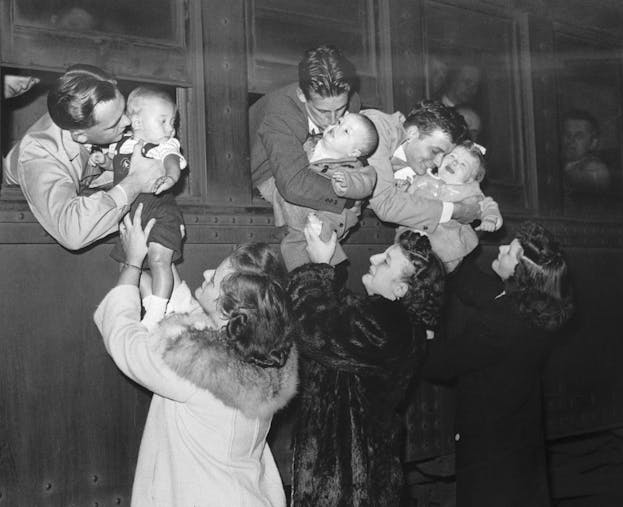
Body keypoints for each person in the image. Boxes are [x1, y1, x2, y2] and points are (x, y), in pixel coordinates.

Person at [93, 204, 298, 507]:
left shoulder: (197, 367)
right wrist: (164, 251)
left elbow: (124, 339)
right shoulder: (264, 353)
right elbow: (191, 314)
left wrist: (134, 262)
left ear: (231, 314)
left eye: (215, 279)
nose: (206, 272)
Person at [288, 223, 446, 506]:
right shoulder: (397, 323)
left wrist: (320, 268)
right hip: (364, 470)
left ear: (400, 288)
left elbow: (314, 329)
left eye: (386, 261)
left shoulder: (389, 324)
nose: (374, 259)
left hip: (350, 478)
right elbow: (343, 312)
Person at [422, 221, 575, 507]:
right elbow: (478, 288)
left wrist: (423, 332)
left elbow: (439, 364)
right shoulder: (537, 307)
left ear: (521, 276)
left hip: (489, 443)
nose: (502, 248)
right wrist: (451, 247)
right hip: (517, 434)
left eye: (509, 253)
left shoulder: (501, 322)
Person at [3, 64, 165, 250]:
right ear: (80, 136)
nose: (128, 122)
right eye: (114, 124)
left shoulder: (84, 106)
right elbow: (73, 233)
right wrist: (134, 182)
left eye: (124, 111)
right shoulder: (39, 153)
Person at [96, 85, 187, 328]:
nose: (171, 128)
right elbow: (115, 167)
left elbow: (172, 162)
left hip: (160, 213)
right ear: (137, 121)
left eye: (173, 121)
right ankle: (152, 302)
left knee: (159, 261)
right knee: (126, 267)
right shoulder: (121, 145)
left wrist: (171, 177)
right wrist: (103, 162)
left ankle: (156, 312)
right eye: (164, 121)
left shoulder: (165, 145)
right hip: (131, 218)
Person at [250, 44, 361, 215]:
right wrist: (348, 198)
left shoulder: (352, 102)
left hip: (318, 165)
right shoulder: (279, 111)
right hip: (270, 173)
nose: (333, 120)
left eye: (340, 109)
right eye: (323, 111)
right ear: (302, 95)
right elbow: (293, 184)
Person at [362, 99, 494, 232]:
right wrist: (456, 210)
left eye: (445, 155)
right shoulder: (378, 128)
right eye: (435, 151)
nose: (438, 162)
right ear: (412, 133)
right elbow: (387, 204)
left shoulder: (421, 168)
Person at [272, 111, 378, 270]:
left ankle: (325, 268)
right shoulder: (310, 145)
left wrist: (348, 184)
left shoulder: (354, 166)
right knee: (295, 236)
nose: (337, 127)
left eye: (346, 131)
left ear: (354, 152)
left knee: (318, 231)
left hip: (335, 213)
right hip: (301, 207)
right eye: (340, 122)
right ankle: (305, 273)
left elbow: (366, 182)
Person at [396, 140, 502, 272]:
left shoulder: (469, 192)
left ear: (470, 179)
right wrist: (404, 190)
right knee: (400, 271)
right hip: (409, 239)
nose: (454, 163)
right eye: (452, 156)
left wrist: (490, 218)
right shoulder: (422, 177)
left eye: (463, 165)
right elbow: (408, 202)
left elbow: (487, 205)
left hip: (445, 250)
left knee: (428, 275)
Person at [561, 109, 612, 193]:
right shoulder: (561, 163)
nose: (571, 141)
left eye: (579, 136)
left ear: (593, 143)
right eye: (567, 135)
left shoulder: (596, 169)